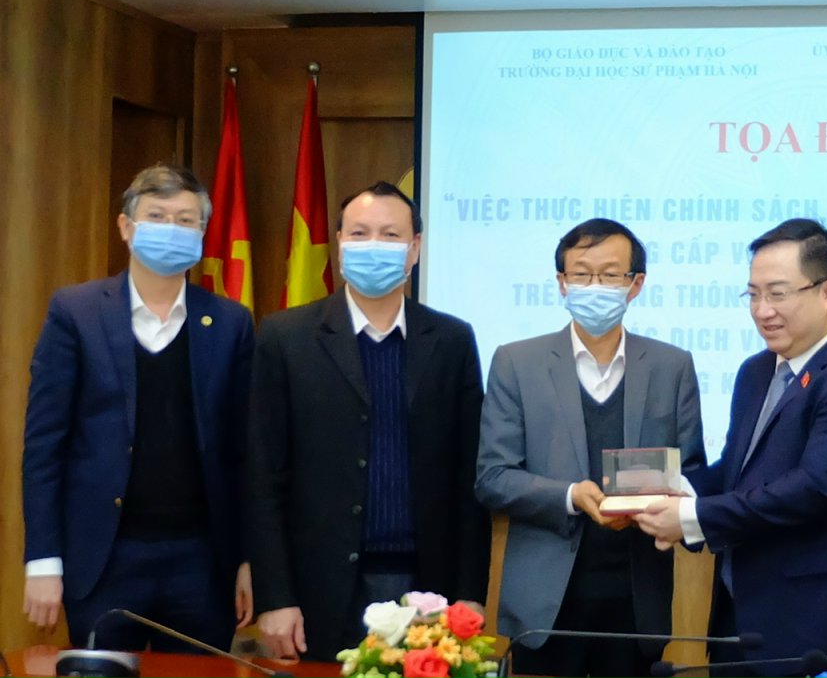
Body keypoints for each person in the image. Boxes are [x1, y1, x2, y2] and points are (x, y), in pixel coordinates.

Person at [631, 218, 827, 672]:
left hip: (812, 628)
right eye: (753, 294)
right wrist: (675, 489)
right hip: (738, 621)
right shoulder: (755, 371)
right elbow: (738, 470)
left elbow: (812, 488)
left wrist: (692, 517)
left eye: (777, 294)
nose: (762, 311)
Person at [246, 182, 491, 660]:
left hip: (426, 589)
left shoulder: (452, 340)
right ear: (339, 244)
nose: (373, 246)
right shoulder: (285, 337)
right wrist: (275, 596)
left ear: (415, 248)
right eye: (359, 234)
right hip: (317, 590)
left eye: (390, 235)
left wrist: (470, 593)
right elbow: (263, 477)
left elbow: (469, 480)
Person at [20, 164, 255, 650]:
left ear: (202, 233)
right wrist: (43, 561)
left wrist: (249, 559)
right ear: (126, 227)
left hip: (201, 564)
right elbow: (44, 446)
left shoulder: (231, 322)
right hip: (103, 559)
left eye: (186, 220)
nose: (172, 229)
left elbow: (245, 453)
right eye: (157, 216)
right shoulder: (76, 312)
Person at [475, 219, 706, 678]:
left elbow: (693, 471)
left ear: (635, 284)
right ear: (562, 283)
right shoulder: (516, 362)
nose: (595, 286)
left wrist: (674, 505)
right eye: (581, 274)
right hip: (543, 607)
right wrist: (570, 496)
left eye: (610, 275)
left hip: (637, 604)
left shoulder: (672, 366)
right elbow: (493, 477)